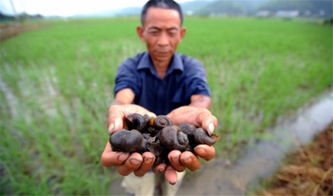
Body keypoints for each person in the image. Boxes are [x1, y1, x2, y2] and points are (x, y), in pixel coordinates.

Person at [101, 0, 218, 195]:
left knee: (170, 184)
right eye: (155, 31)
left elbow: (201, 96)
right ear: (141, 32)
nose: (163, 42)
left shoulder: (191, 67)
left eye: (171, 32)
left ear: (181, 34)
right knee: (141, 190)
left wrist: (198, 110)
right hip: (139, 153)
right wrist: (120, 109)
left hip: (175, 151)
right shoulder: (130, 67)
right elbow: (123, 96)